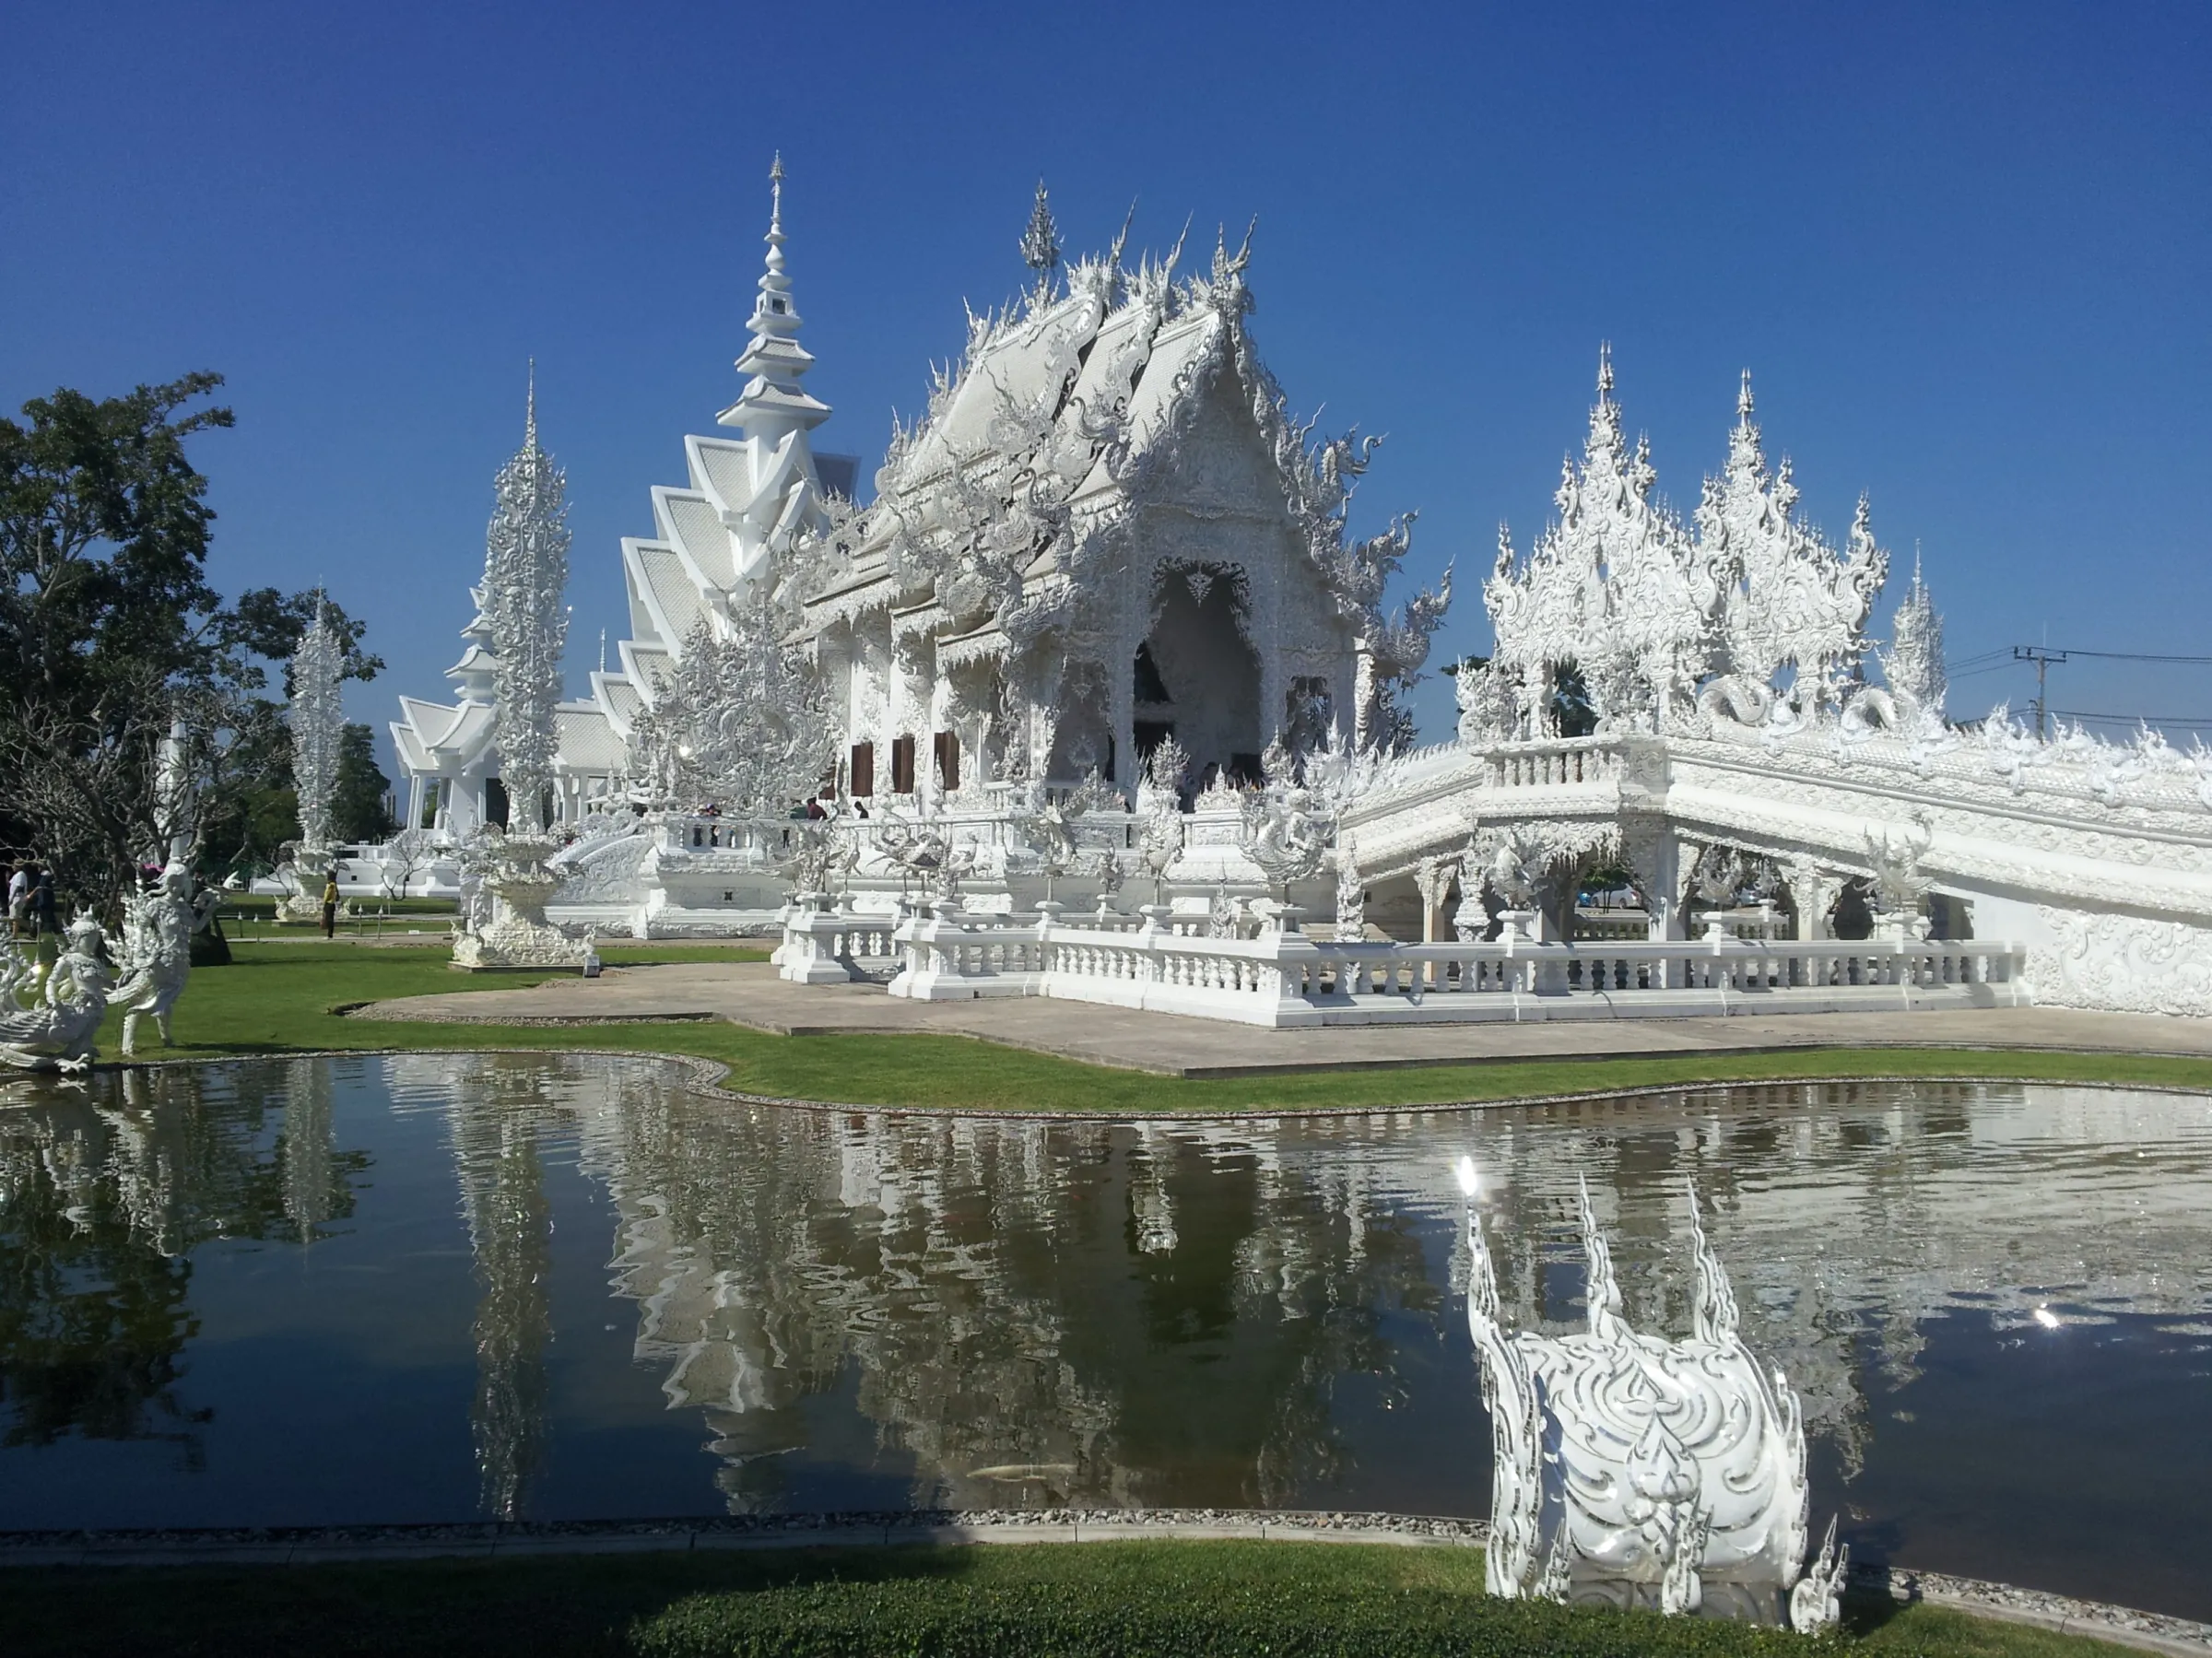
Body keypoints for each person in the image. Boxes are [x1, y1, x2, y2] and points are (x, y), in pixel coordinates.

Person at [29, 868, 57, 939]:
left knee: (48, 918)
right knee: (43, 918)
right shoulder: (43, 875)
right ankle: (33, 934)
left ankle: (57, 933)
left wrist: (30, 895)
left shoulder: (46, 875)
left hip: (46, 900)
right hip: (44, 900)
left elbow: (39, 886)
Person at [6, 864, 28, 937]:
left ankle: (15, 935)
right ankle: (14, 933)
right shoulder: (16, 875)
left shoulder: (21, 875)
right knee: (13, 917)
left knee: (15, 917)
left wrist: (12, 898)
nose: (12, 867)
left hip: (17, 898)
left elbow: (19, 887)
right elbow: (9, 885)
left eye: (14, 866)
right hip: (13, 898)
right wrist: (7, 877)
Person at [321, 874, 340, 939]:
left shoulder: (331, 885)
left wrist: (324, 902)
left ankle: (329, 935)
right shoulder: (333, 885)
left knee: (329, 919)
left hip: (329, 903)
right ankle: (329, 934)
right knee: (329, 919)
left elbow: (328, 895)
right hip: (331, 903)